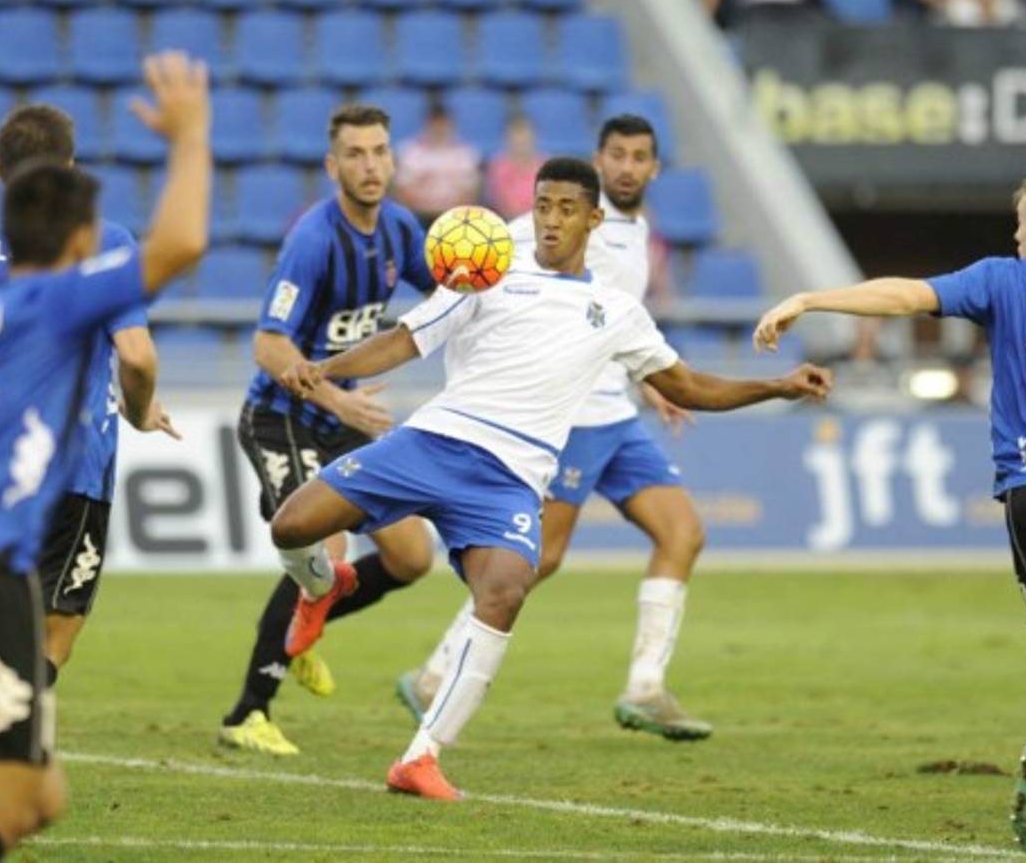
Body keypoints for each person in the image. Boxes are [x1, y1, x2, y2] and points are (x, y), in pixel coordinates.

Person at [271, 157, 832, 799]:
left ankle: (421, 758)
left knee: (506, 590)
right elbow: (404, 340)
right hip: (433, 441)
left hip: (507, 478)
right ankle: (321, 587)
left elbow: (690, 386)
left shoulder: (616, 310)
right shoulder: (486, 274)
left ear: (593, 219)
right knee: (292, 526)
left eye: (567, 209)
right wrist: (325, 368)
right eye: (542, 207)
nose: (551, 221)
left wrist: (778, 385)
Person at [0, 49, 212, 861]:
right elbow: (178, 254)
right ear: (80, 233)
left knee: (18, 794)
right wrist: (191, 136)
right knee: (6, 807)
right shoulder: (62, 295)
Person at [752, 171, 1026, 858]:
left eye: (1019, 224)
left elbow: (902, 295)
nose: (1014, 236)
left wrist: (809, 298)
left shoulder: (1000, 280)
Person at [396, 115, 713, 741]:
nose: (626, 166)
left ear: (654, 168)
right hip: (570, 419)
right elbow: (483, 270)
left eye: (638, 157)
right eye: (615, 155)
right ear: (599, 161)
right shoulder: (549, 229)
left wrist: (651, 380)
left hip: (616, 413)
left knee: (684, 533)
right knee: (540, 559)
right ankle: (435, 674)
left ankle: (645, 688)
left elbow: (615, 321)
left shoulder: (633, 231)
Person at [218, 104, 437, 757]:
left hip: (338, 419)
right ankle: (247, 713)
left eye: (379, 151)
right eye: (356, 154)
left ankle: (301, 630)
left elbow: (447, 297)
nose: (370, 165)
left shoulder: (399, 230)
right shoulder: (313, 241)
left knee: (410, 557)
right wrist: (339, 401)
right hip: (281, 420)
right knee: (321, 549)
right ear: (332, 165)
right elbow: (267, 345)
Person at [393, 104, 481, 227]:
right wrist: (429, 207)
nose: (439, 129)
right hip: (418, 217)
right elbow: (402, 193)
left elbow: (470, 194)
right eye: (435, 124)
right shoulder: (410, 151)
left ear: (451, 124)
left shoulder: (465, 153)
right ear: (427, 124)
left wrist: (444, 210)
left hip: (454, 219)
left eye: (443, 124)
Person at [485, 116, 545, 222]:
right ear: (506, 138)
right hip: (508, 224)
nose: (521, 140)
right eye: (516, 134)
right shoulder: (497, 167)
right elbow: (501, 204)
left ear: (534, 136)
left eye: (525, 133)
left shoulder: (546, 166)